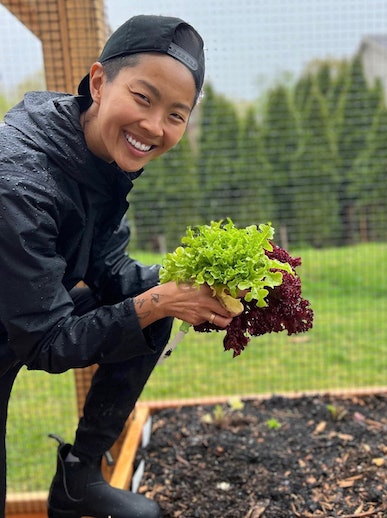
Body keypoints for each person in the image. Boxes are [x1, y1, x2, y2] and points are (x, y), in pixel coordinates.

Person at [0, 15, 239, 518]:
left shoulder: (95, 158)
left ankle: (79, 476)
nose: (154, 127)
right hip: (24, 330)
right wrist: (160, 298)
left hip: (16, 325)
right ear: (99, 80)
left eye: (177, 114)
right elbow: (47, 342)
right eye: (144, 98)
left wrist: (186, 285)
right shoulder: (20, 183)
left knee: (153, 306)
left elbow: (109, 269)